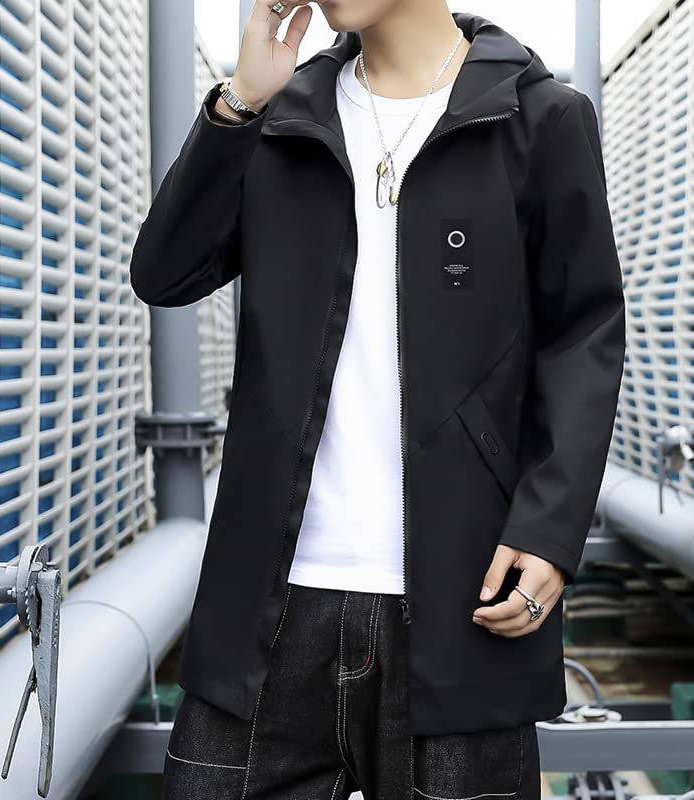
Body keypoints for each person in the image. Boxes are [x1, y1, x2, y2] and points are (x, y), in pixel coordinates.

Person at [129, 0, 626, 797]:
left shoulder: (538, 119)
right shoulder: (281, 117)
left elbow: (584, 335)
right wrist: (242, 102)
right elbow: (165, 273)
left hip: (465, 604)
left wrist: (551, 529)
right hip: (266, 609)